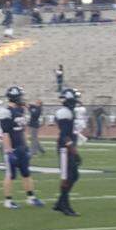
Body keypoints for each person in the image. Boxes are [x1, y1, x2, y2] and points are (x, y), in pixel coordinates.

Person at [0, 86, 44, 209]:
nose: (22, 98)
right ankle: (7, 201)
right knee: (10, 175)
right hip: (12, 148)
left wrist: (26, 145)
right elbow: (5, 133)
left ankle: (31, 198)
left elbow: (22, 130)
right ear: (15, 97)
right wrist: (8, 151)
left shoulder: (20, 110)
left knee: (26, 173)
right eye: (20, 96)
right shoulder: (6, 112)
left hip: (21, 146)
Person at [53, 88, 82, 216]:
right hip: (65, 149)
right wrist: (74, 151)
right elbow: (65, 135)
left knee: (74, 175)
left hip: (68, 147)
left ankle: (60, 202)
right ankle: (65, 205)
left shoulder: (68, 111)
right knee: (67, 177)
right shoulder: (64, 113)